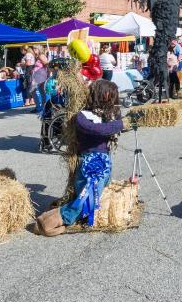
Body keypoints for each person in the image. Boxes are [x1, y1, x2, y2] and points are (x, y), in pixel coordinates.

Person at [35, 80, 130, 236]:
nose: (113, 97)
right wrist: (122, 124)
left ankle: (78, 217)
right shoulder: (82, 116)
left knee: (96, 196)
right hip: (91, 163)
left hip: (104, 160)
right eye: (109, 93)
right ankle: (49, 222)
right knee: (86, 199)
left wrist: (132, 121)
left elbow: (113, 127)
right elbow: (99, 130)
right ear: (99, 94)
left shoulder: (106, 114)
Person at [31, 45, 49, 114]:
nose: (34, 50)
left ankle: (40, 107)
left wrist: (48, 73)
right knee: (41, 91)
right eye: (33, 48)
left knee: (33, 91)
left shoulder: (41, 56)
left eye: (35, 48)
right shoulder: (38, 56)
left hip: (39, 76)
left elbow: (46, 63)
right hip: (38, 75)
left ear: (39, 49)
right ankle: (42, 107)